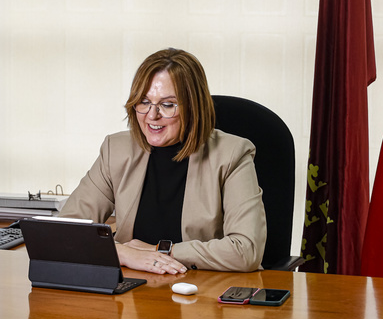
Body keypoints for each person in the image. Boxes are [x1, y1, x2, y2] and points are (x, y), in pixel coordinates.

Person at [59, 48, 267, 274]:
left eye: (167, 105)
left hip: (204, 291)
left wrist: (162, 252)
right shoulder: (115, 150)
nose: (152, 115)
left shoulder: (232, 155)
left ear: (194, 107)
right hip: (132, 291)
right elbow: (64, 233)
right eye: (144, 101)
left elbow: (245, 251)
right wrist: (125, 254)